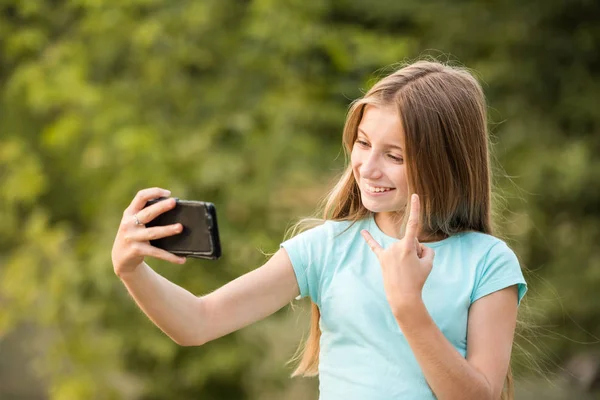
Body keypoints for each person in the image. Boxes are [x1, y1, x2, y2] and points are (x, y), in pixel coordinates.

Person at [111, 60, 527, 400]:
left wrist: (408, 307)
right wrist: (131, 271)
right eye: (363, 144)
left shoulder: (488, 263)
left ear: (444, 163)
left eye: (394, 156)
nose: (367, 166)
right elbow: (197, 323)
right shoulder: (326, 249)